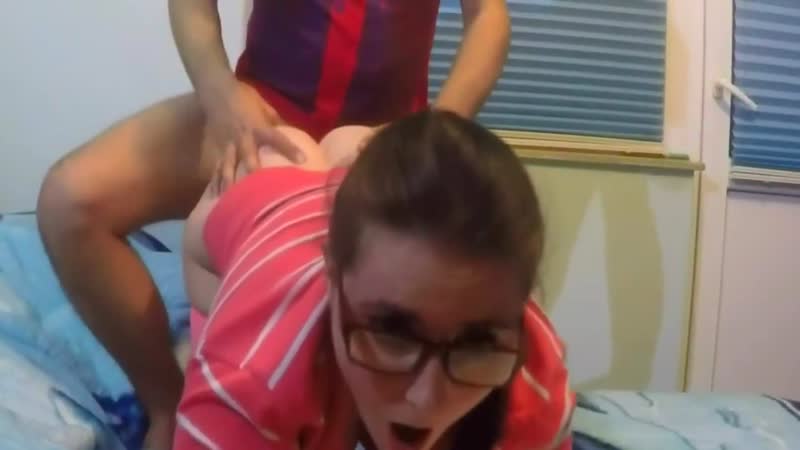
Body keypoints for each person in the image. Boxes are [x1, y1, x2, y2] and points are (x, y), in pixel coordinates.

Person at [35, 0, 511, 446]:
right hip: (263, 115)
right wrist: (220, 92)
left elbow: (487, 15)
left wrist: (432, 131)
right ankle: (165, 400)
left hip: (385, 140)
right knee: (70, 203)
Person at [175, 110, 574, 450]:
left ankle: (348, 156)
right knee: (282, 149)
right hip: (263, 218)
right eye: (391, 332)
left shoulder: (533, 381)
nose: (426, 398)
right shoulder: (248, 380)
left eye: (477, 342)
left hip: (358, 229)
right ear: (332, 277)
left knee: (348, 141)